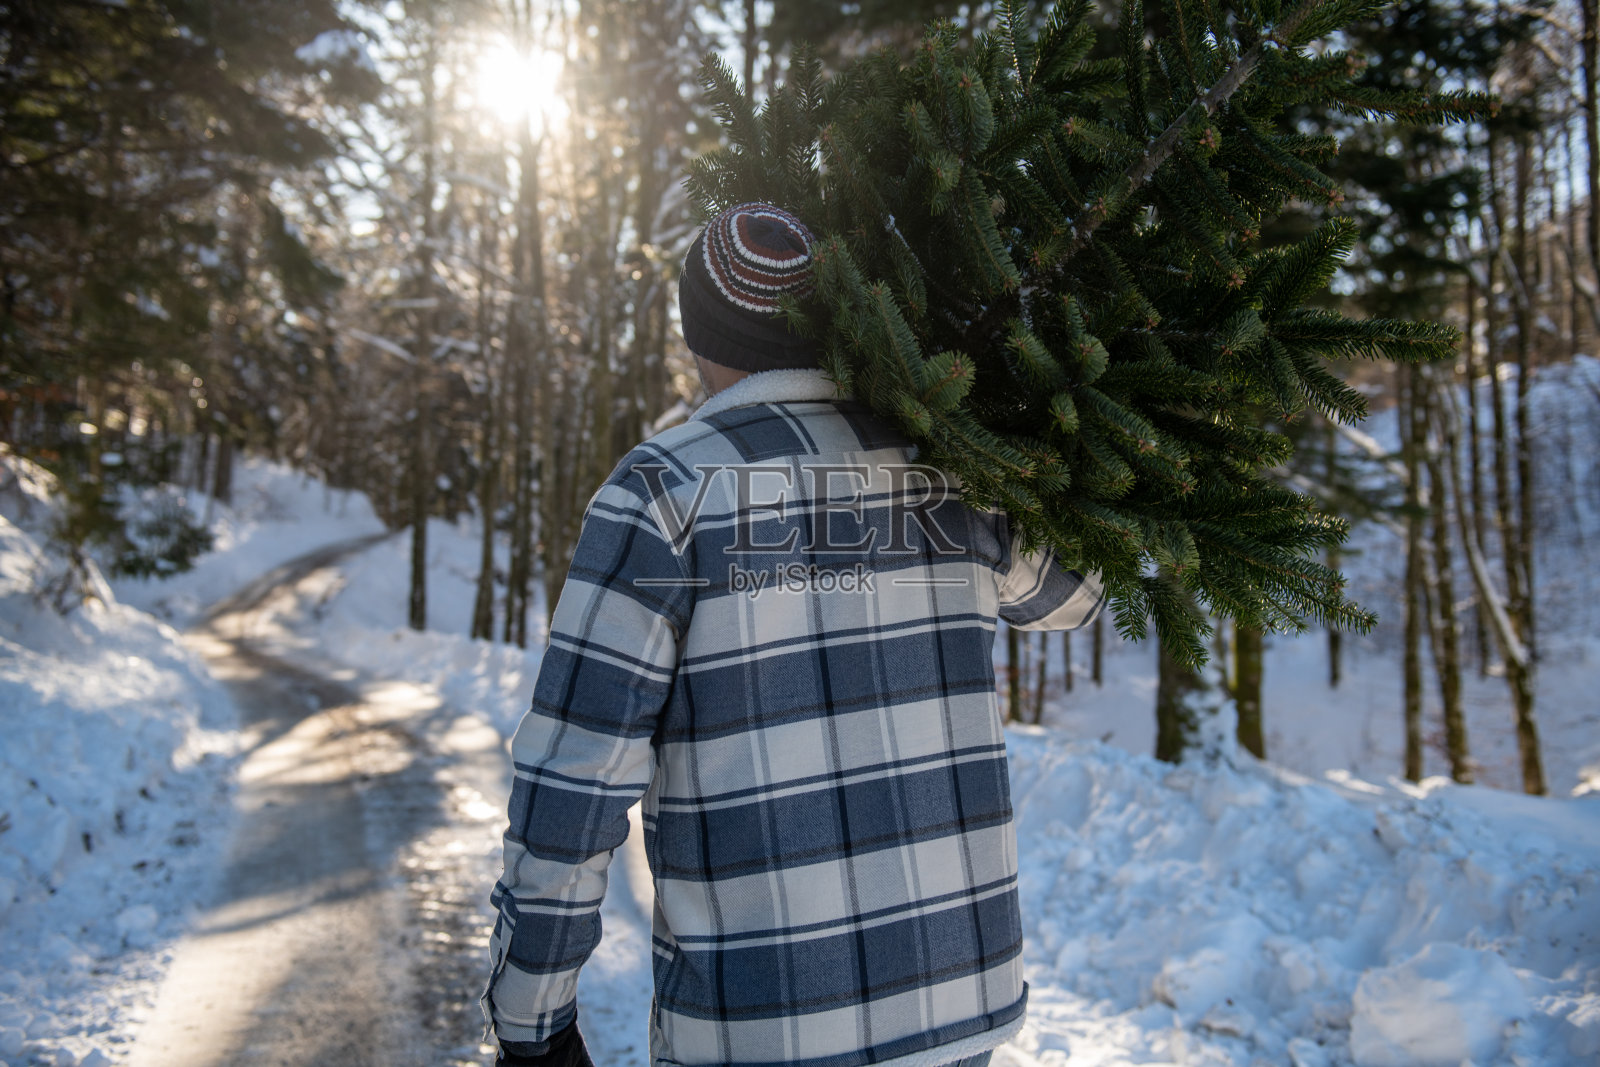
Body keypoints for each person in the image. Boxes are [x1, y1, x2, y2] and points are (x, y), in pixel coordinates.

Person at [483, 202, 1106, 1067]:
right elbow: (1077, 596)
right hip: (958, 1015)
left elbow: (575, 781)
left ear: (697, 334)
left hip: (763, 1032)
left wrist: (532, 1016)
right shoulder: (954, 470)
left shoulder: (664, 495)